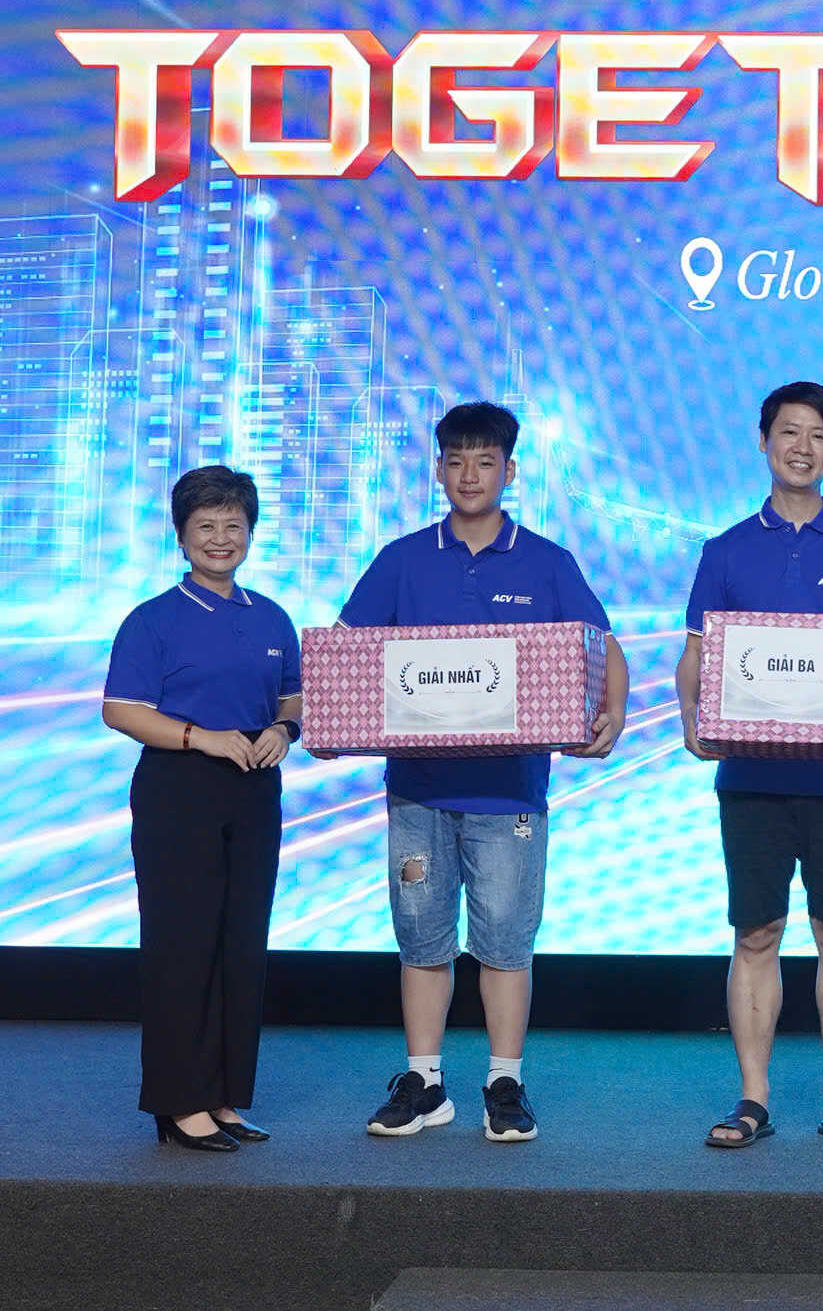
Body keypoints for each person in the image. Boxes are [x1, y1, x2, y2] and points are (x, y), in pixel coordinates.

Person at [340, 402, 626, 1143]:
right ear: (438, 470)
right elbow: (347, 652)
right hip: (418, 790)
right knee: (421, 937)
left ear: (510, 471)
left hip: (509, 792)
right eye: (456, 461)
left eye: (485, 461)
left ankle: (505, 1082)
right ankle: (425, 1082)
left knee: (503, 941)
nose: (470, 475)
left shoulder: (546, 561)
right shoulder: (401, 559)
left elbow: (603, 647)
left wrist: (611, 714)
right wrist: (331, 723)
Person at [675, 382, 823, 1151]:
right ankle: (753, 1098)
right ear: (763, 440)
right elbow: (696, 658)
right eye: (788, 431)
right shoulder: (725, 551)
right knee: (756, 934)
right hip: (749, 778)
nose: (801, 447)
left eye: (817, 435)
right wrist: (691, 716)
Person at [100, 465, 302, 1153]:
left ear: (251, 534)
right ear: (182, 537)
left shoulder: (271, 617)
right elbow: (120, 709)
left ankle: (223, 1096)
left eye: (233, 525)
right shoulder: (153, 619)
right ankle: (178, 1102)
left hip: (254, 786)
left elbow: (291, 694)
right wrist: (202, 737)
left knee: (241, 944)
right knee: (182, 945)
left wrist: (284, 729)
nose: (221, 538)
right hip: (179, 785)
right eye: (205, 526)